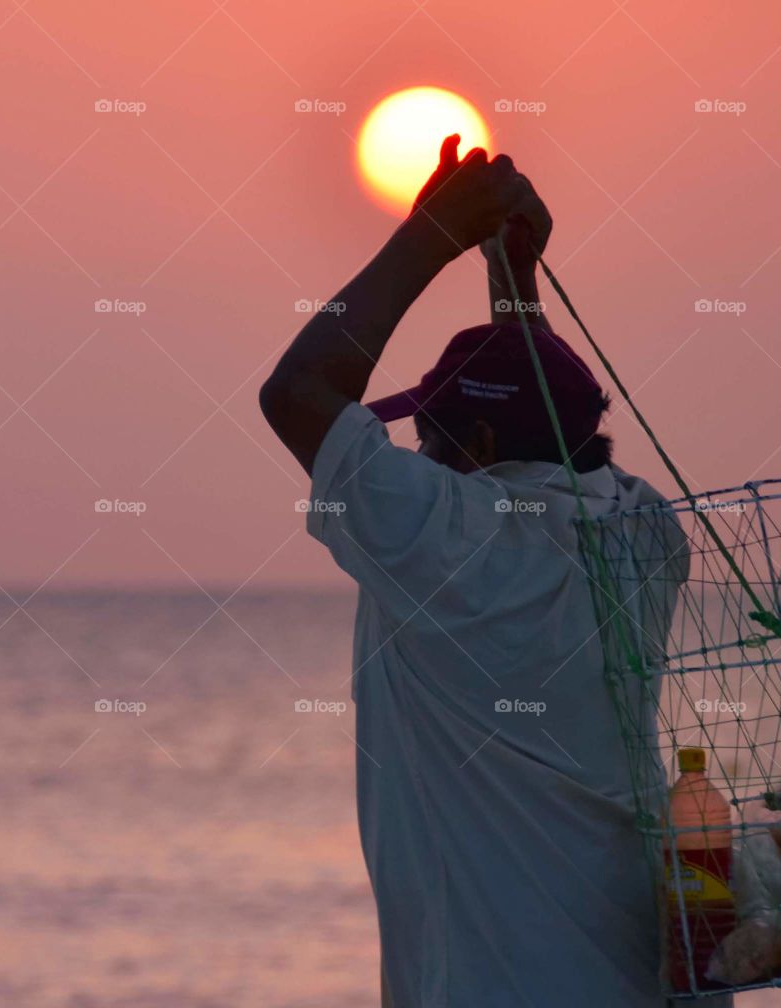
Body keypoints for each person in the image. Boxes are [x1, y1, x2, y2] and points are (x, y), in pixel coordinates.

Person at [259, 138, 707, 1007]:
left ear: (484, 447)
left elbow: (299, 390)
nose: (416, 452)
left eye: (429, 434)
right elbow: (550, 432)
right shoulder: (647, 530)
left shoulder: (450, 541)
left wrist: (432, 234)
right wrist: (512, 273)